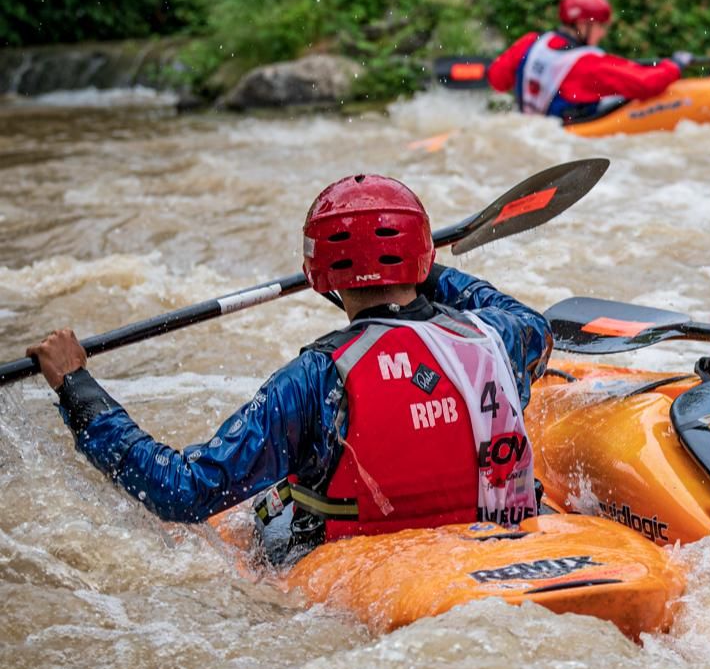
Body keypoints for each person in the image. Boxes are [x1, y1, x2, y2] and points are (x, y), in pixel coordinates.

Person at [28, 174, 553, 556]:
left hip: (364, 560)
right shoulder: (500, 336)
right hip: (499, 535)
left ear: (321, 276)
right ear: (419, 254)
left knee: (270, 506)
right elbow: (533, 321)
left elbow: (181, 492)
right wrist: (428, 271)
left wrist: (77, 387)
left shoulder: (316, 379)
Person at [487, 0, 694, 122]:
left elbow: (497, 79)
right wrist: (675, 65)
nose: (603, 32)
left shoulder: (530, 42)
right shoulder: (588, 64)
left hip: (533, 130)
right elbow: (646, 83)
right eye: (600, 26)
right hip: (571, 139)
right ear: (581, 25)